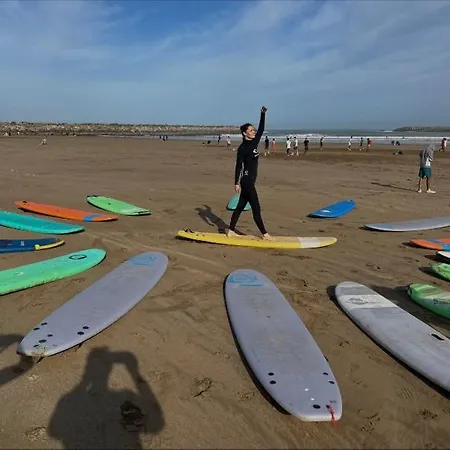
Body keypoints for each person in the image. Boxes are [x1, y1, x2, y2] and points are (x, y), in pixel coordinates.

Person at [227, 106, 271, 240]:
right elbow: (238, 166)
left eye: (253, 130)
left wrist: (262, 114)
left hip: (250, 181)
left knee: (240, 207)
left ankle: (230, 231)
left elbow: (261, 129)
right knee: (256, 208)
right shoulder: (242, 148)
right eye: (251, 130)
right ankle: (265, 234)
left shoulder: (254, 142)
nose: (253, 132)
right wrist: (236, 182)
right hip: (247, 181)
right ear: (244, 133)